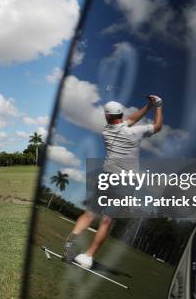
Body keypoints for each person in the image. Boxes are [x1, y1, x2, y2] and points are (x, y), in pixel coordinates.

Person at [63, 95, 163, 268]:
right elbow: (157, 126)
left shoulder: (106, 130)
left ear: (108, 116)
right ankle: (88, 256)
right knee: (107, 220)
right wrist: (158, 106)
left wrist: (147, 107)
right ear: (121, 115)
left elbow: (129, 120)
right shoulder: (134, 132)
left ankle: (71, 239)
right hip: (125, 183)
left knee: (89, 213)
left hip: (107, 177)